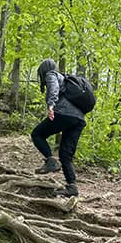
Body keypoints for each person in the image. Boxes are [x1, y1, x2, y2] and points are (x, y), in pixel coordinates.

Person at [31, 58, 86, 198]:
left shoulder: (51, 74)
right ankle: (72, 187)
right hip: (78, 119)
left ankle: (50, 161)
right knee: (65, 154)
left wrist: (51, 105)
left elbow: (53, 88)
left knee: (37, 134)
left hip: (64, 113)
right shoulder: (66, 80)